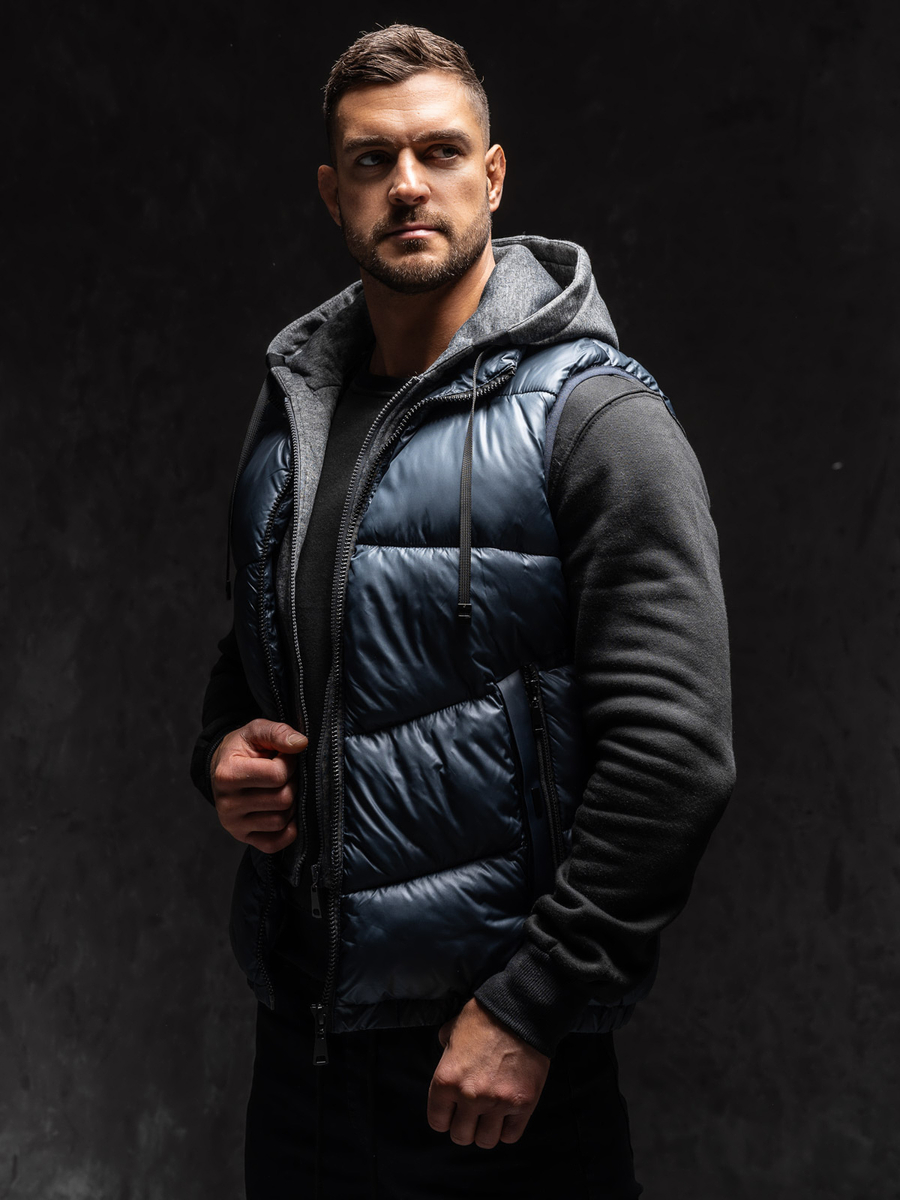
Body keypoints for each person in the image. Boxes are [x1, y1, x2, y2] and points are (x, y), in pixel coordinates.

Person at [191, 24, 735, 1200]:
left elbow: (675, 752)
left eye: (439, 152)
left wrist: (533, 1006)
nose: (408, 184)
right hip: (303, 1057)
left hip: (491, 1073)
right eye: (373, 160)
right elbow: (254, 658)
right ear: (332, 192)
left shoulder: (596, 419)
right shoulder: (293, 415)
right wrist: (223, 753)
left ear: (492, 176)